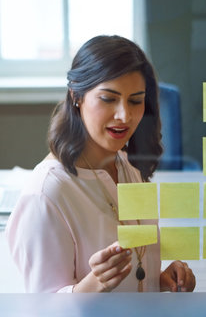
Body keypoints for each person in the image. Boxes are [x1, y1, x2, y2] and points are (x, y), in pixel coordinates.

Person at [6, 35, 195, 293]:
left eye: (135, 100)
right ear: (77, 96)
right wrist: (93, 285)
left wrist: (159, 281)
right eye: (108, 98)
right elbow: (44, 314)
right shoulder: (46, 194)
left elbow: (138, 270)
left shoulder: (129, 168)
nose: (124, 115)